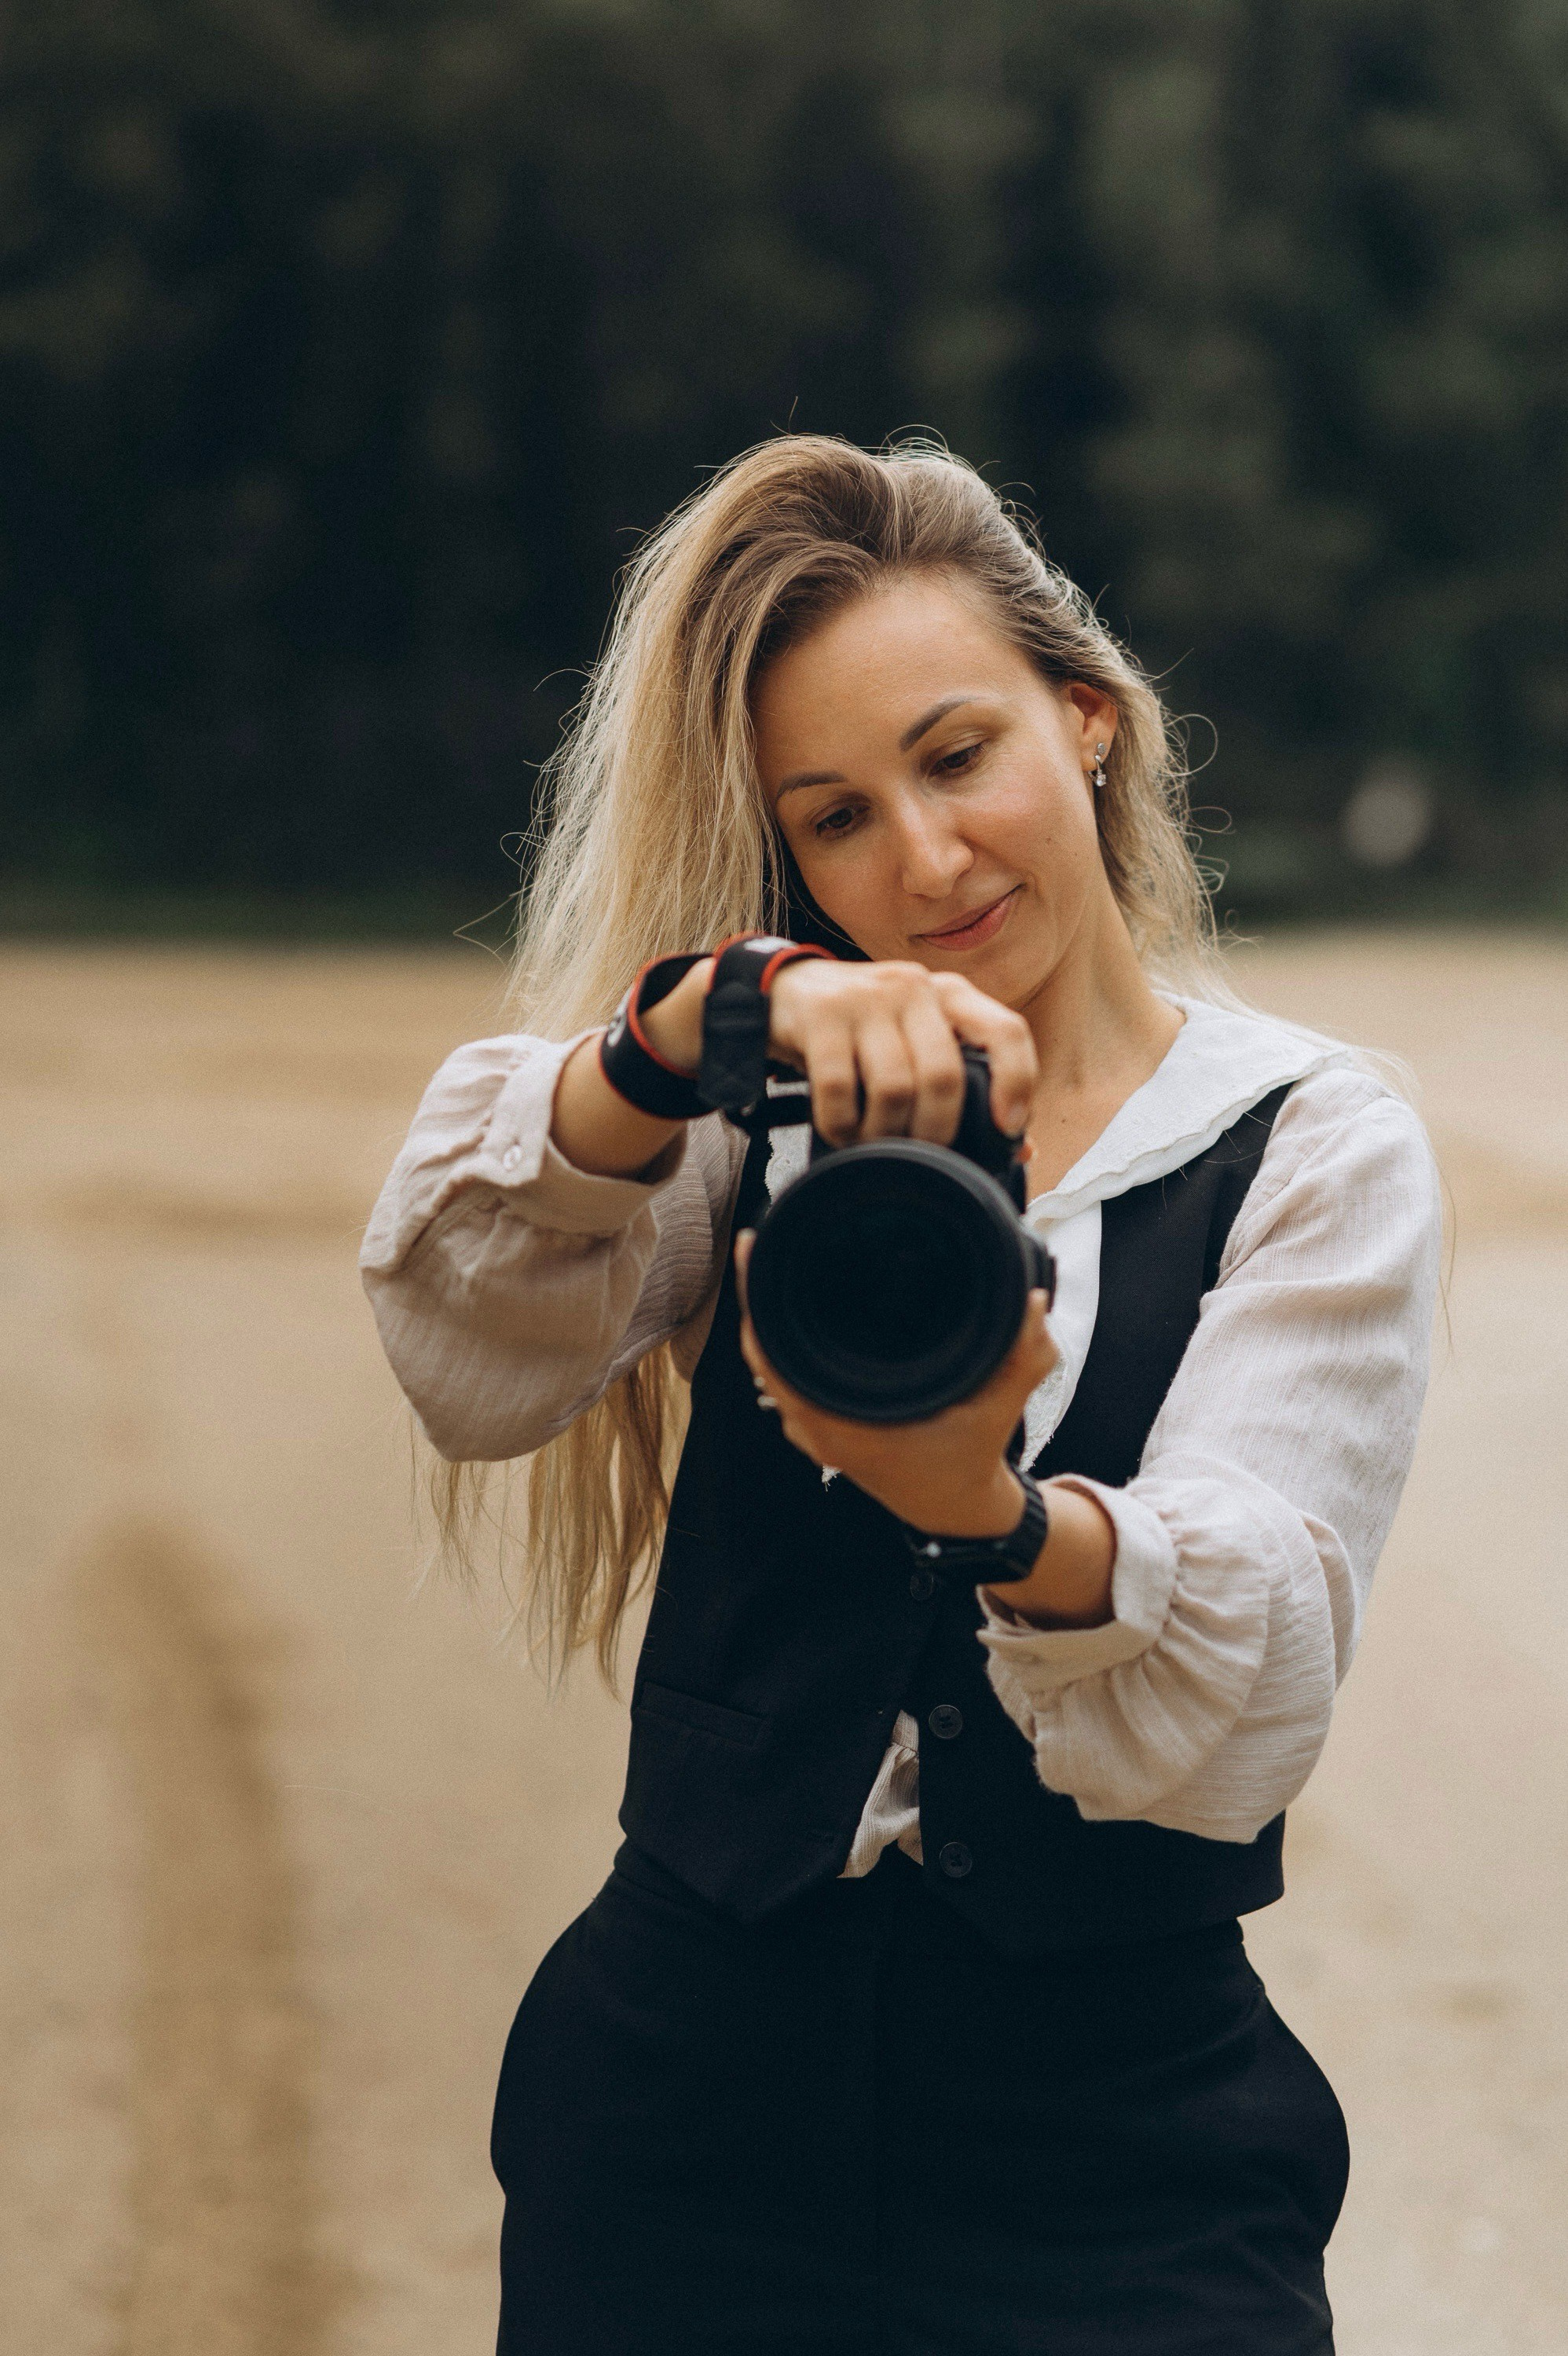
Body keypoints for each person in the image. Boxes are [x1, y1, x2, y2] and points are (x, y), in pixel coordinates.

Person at [361, 436, 1441, 2355]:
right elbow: (464, 1350)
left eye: (955, 758)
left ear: (1085, 721)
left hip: (1120, 2139)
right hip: (680, 2105)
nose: (921, 863)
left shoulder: (1305, 1139)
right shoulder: (742, 1089)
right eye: (834, 815)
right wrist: (671, 1034)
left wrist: (984, 1509)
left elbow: (1247, 1675)